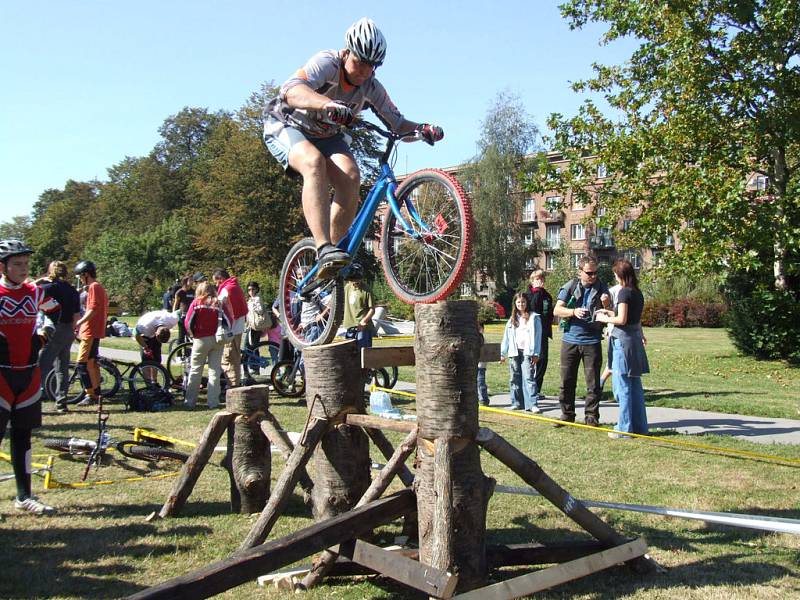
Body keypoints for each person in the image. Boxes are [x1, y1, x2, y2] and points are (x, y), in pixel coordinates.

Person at [263, 17, 444, 279]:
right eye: (360, 63)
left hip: (326, 134)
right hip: (287, 123)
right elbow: (291, 90)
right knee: (313, 163)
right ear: (347, 52)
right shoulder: (326, 63)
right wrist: (326, 104)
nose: (363, 71)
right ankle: (323, 246)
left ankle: (334, 256)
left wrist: (422, 129)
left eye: (371, 66)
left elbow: (398, 123)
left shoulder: (371, 87)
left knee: (351, 177)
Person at [0, 240, 59, 514]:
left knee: (22, 437)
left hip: (28, 374)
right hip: (1, 374)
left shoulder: (35, 292)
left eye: (26, 264)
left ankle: (24, 496)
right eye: (17, 264)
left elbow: (55, 312)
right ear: (3, 267)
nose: (23, 269)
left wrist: (44, 333)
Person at [552, 256, 610, 427]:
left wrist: (606, 305)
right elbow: (557, 310)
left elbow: (610, 314)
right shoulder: (570, 286)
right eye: (589, 273)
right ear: (580, 272)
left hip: (592, 341)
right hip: (570, 340)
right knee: (566, 381)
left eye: (595, 273)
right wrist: (573, 312)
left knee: (593, 383)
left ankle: (591, 417)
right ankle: (567, 415)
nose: (593, 276)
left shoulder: (602, 288)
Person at [594, 260, 650, 438]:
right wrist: (611, 312)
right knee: (635, 386)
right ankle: (640, 427)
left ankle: (624, 429)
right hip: (633, 341)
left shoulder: (624, 292)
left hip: (622, 343)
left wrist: (604, 318)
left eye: (615, 274)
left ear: (620, 275)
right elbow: (629, 317)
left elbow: (622, 320)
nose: (614, 277)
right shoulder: (637, 292)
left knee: (623, 387)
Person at [37, 261, 81, 413]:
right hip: (69, 329)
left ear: (50, 272)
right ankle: (61, 403)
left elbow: (28, 291)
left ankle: (30, 400)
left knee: (40, 365)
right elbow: (76, 315)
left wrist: (39, 281)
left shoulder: (47, 288)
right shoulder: (73, 290)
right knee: (62, 368)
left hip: (54, 328)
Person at [184, 282, 230, 409]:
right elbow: (228, 320)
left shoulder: (196, 303)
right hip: (217, 339)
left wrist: (192, 334)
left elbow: (187, 322)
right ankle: (213, 402)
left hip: (200, 339)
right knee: (214, 371)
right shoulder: (218, 304)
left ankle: (190, 401)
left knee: (195, 370)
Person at [73, 260, 109, 407]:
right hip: (95, 330)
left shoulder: (94, 287)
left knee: (81, 364)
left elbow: (92, 309)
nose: (80, 280)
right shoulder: (98, 287)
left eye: (80, 277)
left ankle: (90, 394)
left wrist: (79, 322)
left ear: (86, 274)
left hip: (90, 331)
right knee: (91, 363)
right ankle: (97, 394)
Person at [500, 293, 543, 412]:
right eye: (518, 302)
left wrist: (536, 353)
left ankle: (532, 404)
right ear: (515, 304)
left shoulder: (534, 317)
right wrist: (502, 353)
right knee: (514, 377)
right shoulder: (512, 319)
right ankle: (516, 402)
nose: (521, 304)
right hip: (514, 352)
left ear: (527, 303)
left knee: (529, 377)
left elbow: (538, 337)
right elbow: (506, 337)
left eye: (523, 302)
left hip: (528, 352)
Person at [213, 269, 248, 387]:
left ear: (221, 279)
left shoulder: (226, 290)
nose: (216, 285)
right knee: (235, 357)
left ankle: (233, 386)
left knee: (229, 359)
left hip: (231, 330)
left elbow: (217, 305)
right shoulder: (235, 286)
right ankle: (235, 383)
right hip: (238, 328)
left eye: (216, 282)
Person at [524, 269, 553, 402]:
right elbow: (534, 307)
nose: (540, 281)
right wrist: (538, 292)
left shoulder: (547, 295)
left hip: (543, 332)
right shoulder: (527, 295)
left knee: (543, 360)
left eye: (541, 279)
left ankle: (537, 388)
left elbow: (549, 312)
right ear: (532, 280)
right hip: (529, 332)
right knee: (529, 360)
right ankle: (528, 388)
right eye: (537, 279)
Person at [242, 281, 272, 385]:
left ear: (257, 289)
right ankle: (251, 368)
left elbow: (260, 310)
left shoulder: (257, 299)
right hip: (251, 326)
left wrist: (253, 305)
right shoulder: (250, 299)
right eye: (249, 289)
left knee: (250, 347)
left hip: (256, 327)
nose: (251, 291)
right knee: (251, 347)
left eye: (253, 289)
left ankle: (254, 368)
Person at [341, 264, 375, 348]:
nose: (355, 281)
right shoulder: (347, 288)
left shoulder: (367, 289)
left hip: (363, 328)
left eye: (357, 279)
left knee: (362, 353)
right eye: (353, 279)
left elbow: (372, 309)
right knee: (350, 354)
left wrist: (364, 321)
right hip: (350, 326)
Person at [172, 276, 196, 346]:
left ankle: (187, 353)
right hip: (183, 315)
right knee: (181, 335)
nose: (192, 282)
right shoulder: (180, 292)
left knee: (189, 335)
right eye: (190, 280)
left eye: (192, 280)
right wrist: (173, 314)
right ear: (186, 282)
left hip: (191, 315)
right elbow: (176, 304)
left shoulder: (194, 291)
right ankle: (179, 354)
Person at [477, 322, 490, 406]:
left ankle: (484, 399)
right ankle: (479, 398)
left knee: (480, 382)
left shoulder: (481, 338)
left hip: (481, 365)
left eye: (479, 328)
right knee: (476, 383)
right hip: (474, 365)